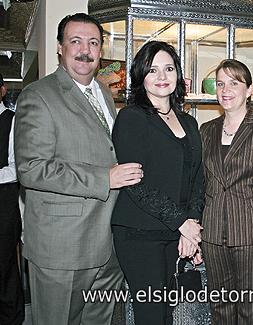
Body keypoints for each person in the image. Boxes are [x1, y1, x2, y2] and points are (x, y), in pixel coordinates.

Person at [14, 13, 143, 325]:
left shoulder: (105, 94)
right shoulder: (38, 95)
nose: (85, 49)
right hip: (63, 248)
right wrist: (104, 178)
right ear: (60, 47)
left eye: (93, 42)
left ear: (100, 51)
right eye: (76, 41)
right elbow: (31, 169)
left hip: (108, 245)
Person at [111, 41, 204, 325]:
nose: (162, 77)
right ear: (141, 76)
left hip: (175, 232)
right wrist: (182, 223)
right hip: (139, 234)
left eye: (168, 69)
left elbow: (197, 178)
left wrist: (191, 227)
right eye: (152, 70)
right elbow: (136, 183)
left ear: (178, 75)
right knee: (151, 314)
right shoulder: (131, 118)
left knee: (168, 312)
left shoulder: (189, 122)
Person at [200, 59, 253, 325]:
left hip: (252, 238)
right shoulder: (206, 130)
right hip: (213, 236)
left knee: (252, 314)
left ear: (249, 90)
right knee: (220, 310)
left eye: (234, 83)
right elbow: (202, 186)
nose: (226, 90)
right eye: (221, 84)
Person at [0, 73, 24, 325]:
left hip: (5, 202)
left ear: (3, 90)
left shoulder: (13, 121)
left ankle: (12, 318)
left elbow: (18, 168)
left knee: (5, 265)